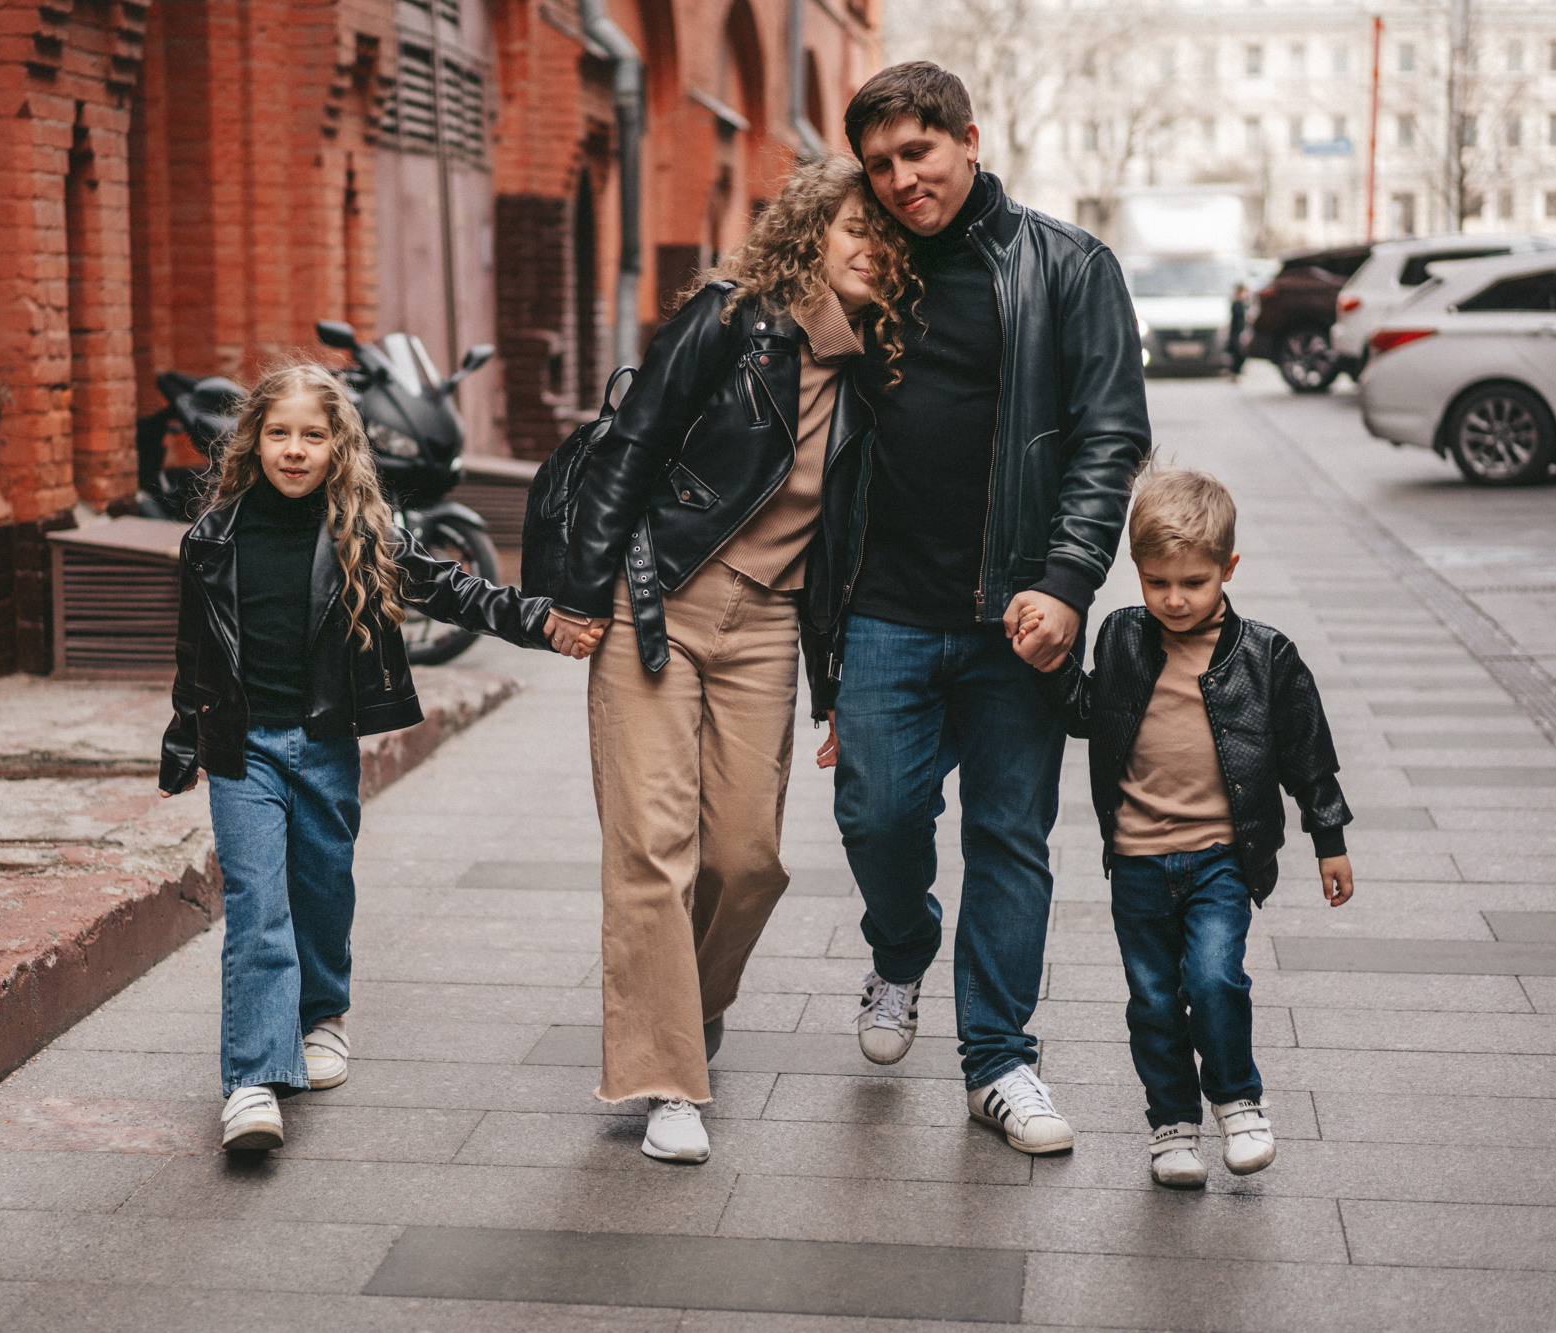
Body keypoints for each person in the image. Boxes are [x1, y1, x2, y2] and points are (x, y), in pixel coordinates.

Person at [808, 62, 1150, 1156]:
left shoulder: (1067, 265)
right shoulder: (863, 268)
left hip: (1016, 615)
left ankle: (998, 1062)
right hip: (883, 608)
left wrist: (1065, 581)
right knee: (876, 815)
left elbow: (1108, 436)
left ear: (965, 136)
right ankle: (899, 947)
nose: (902, 180)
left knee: (1010, 838)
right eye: (879, 165)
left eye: (918, 152)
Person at [547, 156, 912, 1163]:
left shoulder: (877, 372)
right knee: (651, 846)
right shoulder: (729, 320)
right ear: (809, 230)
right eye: (853, 229)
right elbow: (630, 445)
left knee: (748, 857)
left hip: (769, 629)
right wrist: (581, 595)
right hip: (653, 602)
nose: (871, 251)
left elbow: (848, 545)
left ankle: (690, 1008)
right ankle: (666, 1079)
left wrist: (835, 687)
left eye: (887, 239)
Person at [158, 361, 599, 1153]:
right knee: (258, 906)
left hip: (325, 742)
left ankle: (323, 1011)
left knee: (323, 887)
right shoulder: (212, 539)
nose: (295, 450)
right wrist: (185, 737)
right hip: (243, 748)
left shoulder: (363, 535)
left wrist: (541, 620)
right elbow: (196, 651)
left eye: (313, 435)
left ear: (339, 447)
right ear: (253, 440)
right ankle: (255, 1081)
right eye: (279, 433)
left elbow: (455, 591)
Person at [1037, 468, 1355, 1187]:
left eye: (1193, 582)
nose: (1174, 600)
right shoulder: (1120, 636)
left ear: (1228, 570)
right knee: (1152, 997)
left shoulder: (1265, 656)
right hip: (1140, 861)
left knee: (1214, 979)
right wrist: (1053, 664)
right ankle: (1171, 1123)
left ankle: (1238, 1099)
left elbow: (1308, 754)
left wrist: (1328, 837)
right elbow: (1087, 714)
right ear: (1137, 573)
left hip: (1220, 858)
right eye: (1157, 583)